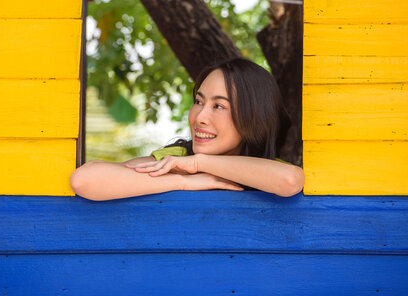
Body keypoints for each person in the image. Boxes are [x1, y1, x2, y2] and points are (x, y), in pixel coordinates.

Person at [70, 57, 304, 201]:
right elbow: (85, 180)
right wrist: (184, 182)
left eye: (219, 106)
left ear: (254, 117)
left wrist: (199, 164)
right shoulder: (178, 159)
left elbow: (290, 181)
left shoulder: (265, 168)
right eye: (199, 101)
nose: (199, 117)